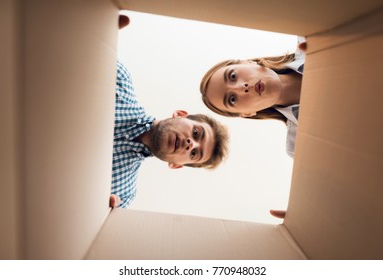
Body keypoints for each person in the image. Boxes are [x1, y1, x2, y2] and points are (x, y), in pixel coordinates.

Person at [200, 39, 306, 218]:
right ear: (247, 113)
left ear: (247, 62)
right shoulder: (300, 147)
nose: (242, 87)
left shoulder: (310, 38)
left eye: (233, 76)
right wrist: (309, 211)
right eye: (232, 99)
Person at [109, 61, 229, 208]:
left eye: (194, 154)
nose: (191, 144)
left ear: (176, 165)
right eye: (196, 133)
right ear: (180, 114)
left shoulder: (122, 194)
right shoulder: (118, 80)